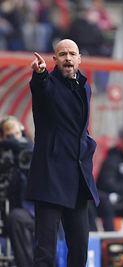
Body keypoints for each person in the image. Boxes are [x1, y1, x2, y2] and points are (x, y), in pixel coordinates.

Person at [27, 39, 99, 267]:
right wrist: (39, 74)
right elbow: (40, 88)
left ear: (79, 59)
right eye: (62, 54)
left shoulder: (85, 86)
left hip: (78, 178)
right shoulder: (47, 83)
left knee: (79, 249)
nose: (68, 58)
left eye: (72, 54)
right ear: (54, 60)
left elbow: (82, 127)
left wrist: (88, 146)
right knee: (45, 251)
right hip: (50, 177)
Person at [1, 118, 34, 267]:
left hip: (33, 212)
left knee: (16, 218)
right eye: (10, 136)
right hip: (8, 212)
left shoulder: (31, 153)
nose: (16, 139)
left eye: (18, 133)